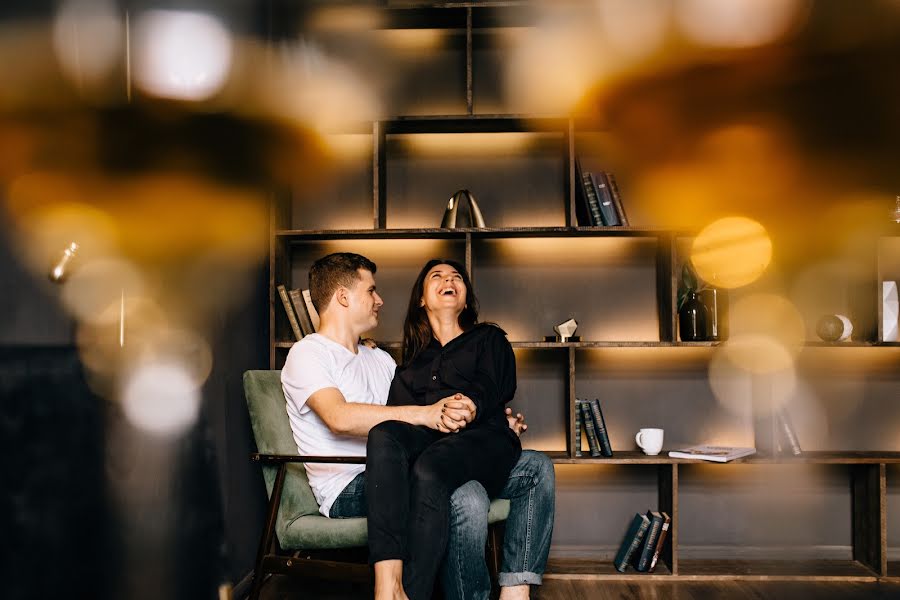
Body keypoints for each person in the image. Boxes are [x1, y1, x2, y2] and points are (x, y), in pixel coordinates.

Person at [281, 253, 554, 600]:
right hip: (351, 482)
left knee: (535, 466)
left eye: (456, 277)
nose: (381, 299)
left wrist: (494, 427)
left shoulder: (380, 359)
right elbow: (342, 418)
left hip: (410, 465)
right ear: (344, 297)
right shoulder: (308, 353)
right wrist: (427, 414)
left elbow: (411, 425)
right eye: (372, 290)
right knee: (465, 494)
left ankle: (513, 592)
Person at [365, 258, 551, 600]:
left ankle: (417, 592)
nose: (448, 279)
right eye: (437, 276)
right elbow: (401, 420)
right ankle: (391, 585)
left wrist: (470, 406)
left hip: (484, 443)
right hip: (435, 459)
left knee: (436, 465)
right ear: (422, 299)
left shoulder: (489, 338)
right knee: (386, 435)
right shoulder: (408, 368)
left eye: (456, 277)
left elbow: (496, 382)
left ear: (465, 299)